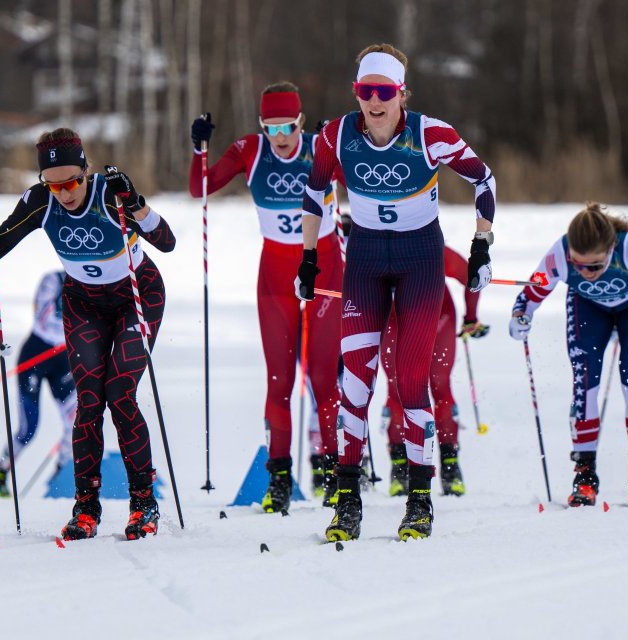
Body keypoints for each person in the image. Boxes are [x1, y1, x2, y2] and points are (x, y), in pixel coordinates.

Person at [296, 44, 496, 542]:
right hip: (363, 262)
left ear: (401, 93)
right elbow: (313, 191)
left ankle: (420, 500)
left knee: (411, 381)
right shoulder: (336, 135)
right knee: (356, 385)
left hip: (419, 263)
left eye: (385, 91)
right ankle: (347, 503)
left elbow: (484, 178)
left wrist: (481, 245)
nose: (375, 101)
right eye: (366, 92)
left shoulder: (430, 134)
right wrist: (308, 257)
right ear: (356, 93)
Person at [0, 128, 176, 541]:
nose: (64, 193)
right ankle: (86, 508)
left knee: (119, 394)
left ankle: (143, 504)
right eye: (54, 183)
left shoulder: (108, 193)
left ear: (86, 171)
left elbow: (167, 242)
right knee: (88, 402)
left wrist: (135, 204)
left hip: (137, 294)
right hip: (83, 303)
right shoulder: (40, 202)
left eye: (72, 181)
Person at [187, 83, 343, 512]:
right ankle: (278, 479)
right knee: (279, 381)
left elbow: (360, 183)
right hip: (275, 275)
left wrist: (344, 147)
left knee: (325, 381)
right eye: (270, 127)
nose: (280, 137)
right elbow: (200, 188)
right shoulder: (249, 150)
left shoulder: (319, 147)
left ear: (300, 121)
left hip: (326, 270)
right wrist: (200, 148)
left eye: (287, 126)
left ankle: (334, 474)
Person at [509, 202, 628, 507]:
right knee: (584, 382)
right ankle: (584, 476)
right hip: (588, 307)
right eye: (578, 265)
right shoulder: (560, 252)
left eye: (594, 266)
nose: (585, 272)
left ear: (610, 248)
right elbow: (534, 289)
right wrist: (521, 314)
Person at [381, 245, 486, 498]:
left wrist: (471, 317)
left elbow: (473, 275)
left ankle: (449, 466)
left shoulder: (431, 247)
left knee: (438, 385)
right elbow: (474, 276)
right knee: (399, 389)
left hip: (436, 315)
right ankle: (401, 467)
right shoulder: (382, 244)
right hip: (398, 318)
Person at [0, 271, 77, 497]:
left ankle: (62, 477)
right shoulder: (53, 280)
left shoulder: (92, 285)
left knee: (75, 421)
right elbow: (43, 318)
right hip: (36, 355)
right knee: (28, 429)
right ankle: (0, 473)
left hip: (63, 359)